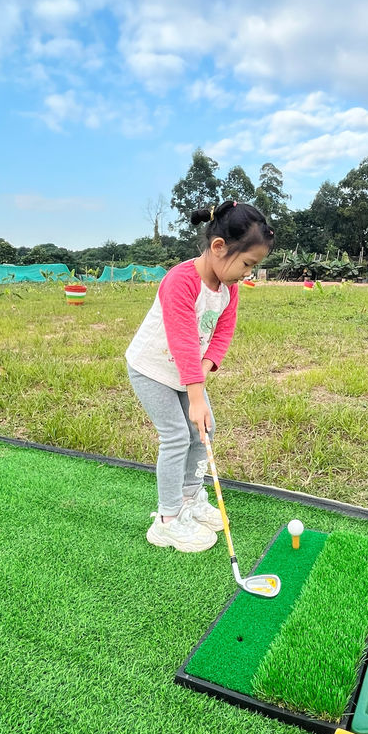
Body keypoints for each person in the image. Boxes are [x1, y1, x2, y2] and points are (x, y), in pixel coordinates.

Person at [126, 200, 274, 552]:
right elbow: (181, 342)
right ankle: (167, 520)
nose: (248, 273)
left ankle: (191, 499)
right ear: (219, 247)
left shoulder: (229, 289)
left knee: (205, 431)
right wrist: (195, 397)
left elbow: (222, 334)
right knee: (177, 436)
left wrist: (202, 375)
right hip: (152, 369)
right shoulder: (180, 281)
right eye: (247, 264)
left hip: (187, 370)